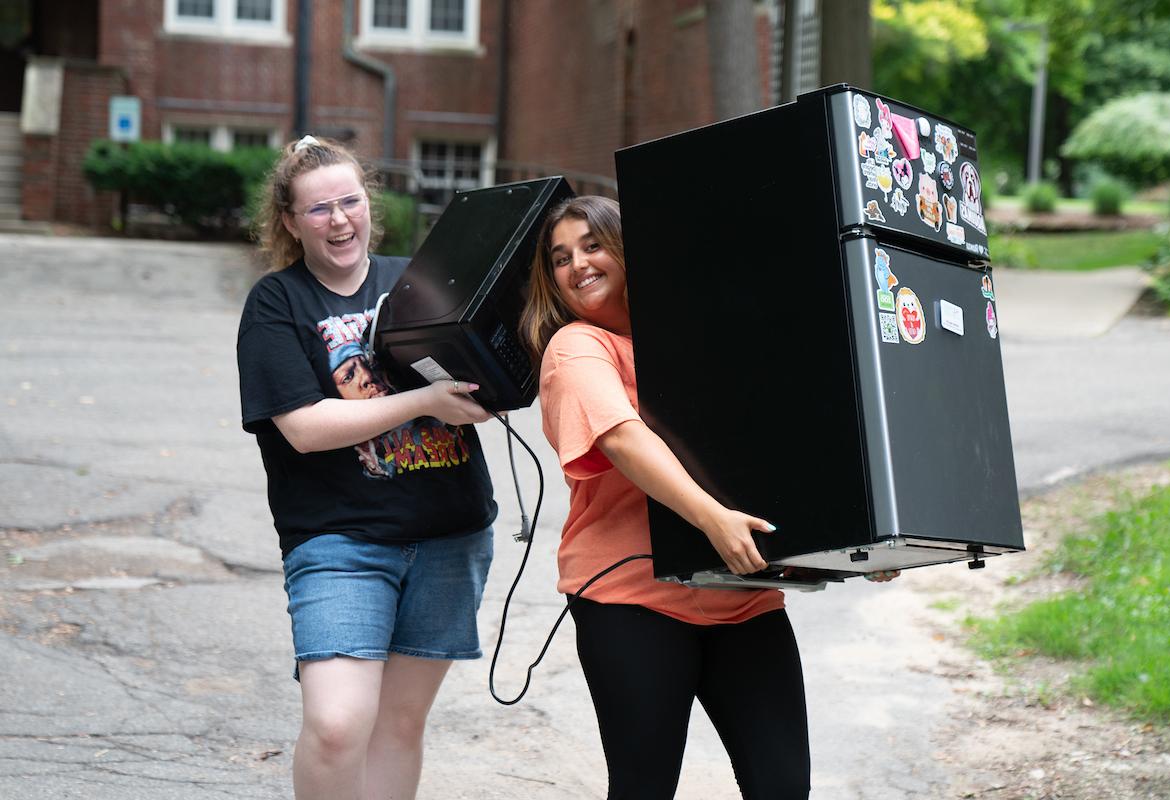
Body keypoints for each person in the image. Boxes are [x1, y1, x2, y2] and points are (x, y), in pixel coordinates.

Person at [519, 196, 898, 800]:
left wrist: (863, 537)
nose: (578, 265)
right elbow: (621, 437)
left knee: (781, 788)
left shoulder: (701, 336)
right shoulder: (577, 347)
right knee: (644, 789)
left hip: (742, 598)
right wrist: (712, 517)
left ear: (626, 248)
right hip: (631, 599)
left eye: (592, 245)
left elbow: (789, 436)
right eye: (561, 257)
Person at [236, 135, 498, 800]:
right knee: (336, 724)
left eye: (349, 201)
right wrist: (426, 401)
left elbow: (477, 373)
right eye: (318, 209)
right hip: (340, 542)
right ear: (290, 222)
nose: (340, 219)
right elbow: (303, 427)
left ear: (368, 206)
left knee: (399, 727)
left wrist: (491, 387)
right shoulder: (277, 304)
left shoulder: (417, 280)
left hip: (450, 536)